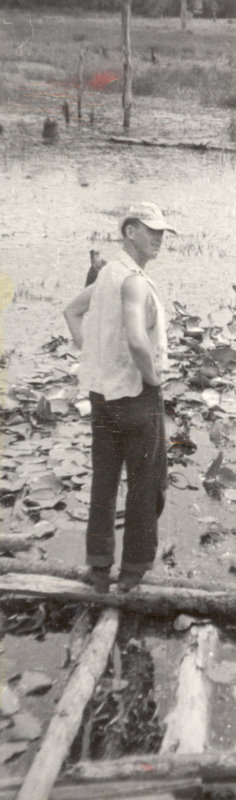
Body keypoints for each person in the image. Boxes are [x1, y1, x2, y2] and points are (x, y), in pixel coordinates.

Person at [64, 201, 176, 593]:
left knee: (104, 482)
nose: (159, 238)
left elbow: (71, 312)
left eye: (163, 231)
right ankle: (132, 572)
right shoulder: (135, 281)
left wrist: (93, 357)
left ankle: (98, 569)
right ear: (130, 232)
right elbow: (136, 339)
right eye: (151, 230)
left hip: (102, 395)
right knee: (148, 484)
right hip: (136, 397)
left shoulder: (108, 273)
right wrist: (153, 381)